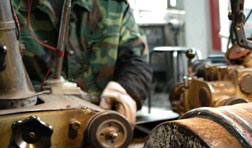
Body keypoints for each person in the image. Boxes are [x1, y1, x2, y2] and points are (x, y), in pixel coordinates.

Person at [11, 0, 152, 124]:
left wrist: (125, 88)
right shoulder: (8, 9)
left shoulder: (113, 5)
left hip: (102, 124)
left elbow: (136, 58)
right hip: (32, 126)